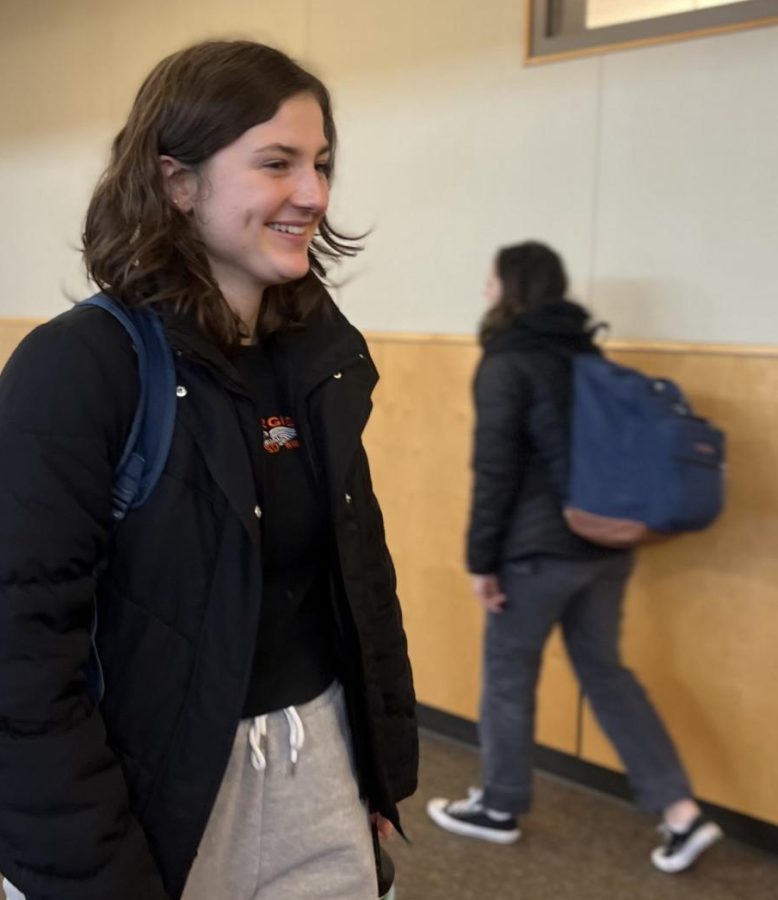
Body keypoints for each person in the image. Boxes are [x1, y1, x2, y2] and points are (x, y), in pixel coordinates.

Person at [0, 40, 417, 900]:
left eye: (321, 164)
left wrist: (375, 765)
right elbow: (20, 656)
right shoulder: (78, 369)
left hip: (320, 766)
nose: (314, 193)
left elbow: (357, 577)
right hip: (148, 796)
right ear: (176, 183)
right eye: (277, 163)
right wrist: (93, 870)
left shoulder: (317, 361)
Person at [426, 241, 721, 873]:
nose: (484, 291)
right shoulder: (587, 353)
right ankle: (680, 813)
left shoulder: (508, 362)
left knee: (508, 678)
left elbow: (495, 472)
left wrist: (482, 562)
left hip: (536, 554)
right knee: (608, 675)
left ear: (512, 287)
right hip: (606, 547)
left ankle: (499, 807)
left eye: (490, 280)